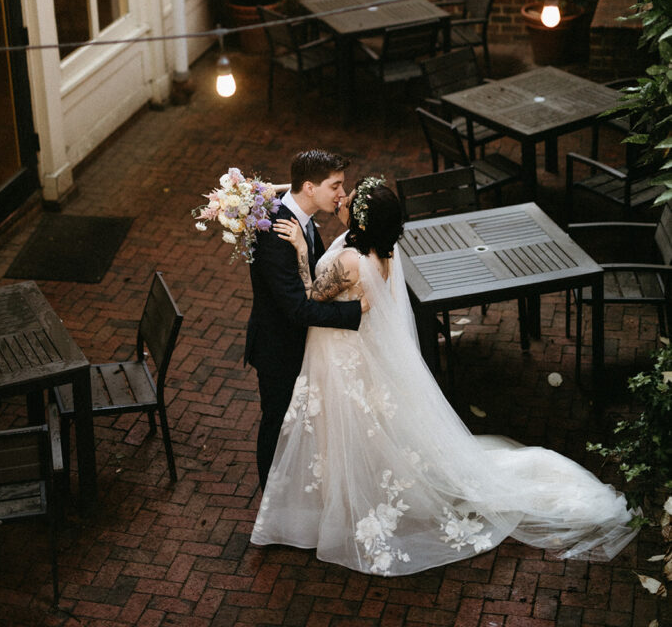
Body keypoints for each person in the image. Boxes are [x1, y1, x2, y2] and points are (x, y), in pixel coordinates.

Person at [251, 176, 638, 576]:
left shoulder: (350, 261)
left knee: (347, 425)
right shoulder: (381, 250)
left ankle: (340, 500)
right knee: (360, 426)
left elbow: (311, 296)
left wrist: (299, 248)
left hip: (341, 352)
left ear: (362, 220)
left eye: (348, 200)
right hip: (353, 349)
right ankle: (342, 494)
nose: (342, 201)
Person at [245, 149, 369, 491]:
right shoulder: (276, 234)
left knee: (299, 421)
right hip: (279, 348)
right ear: (310, 188)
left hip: (301, 342)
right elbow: (298, 309)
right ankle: (271, 497)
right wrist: (355, 312)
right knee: (277, 422)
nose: (342, 194)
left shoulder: (298, 214)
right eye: (335, 186)